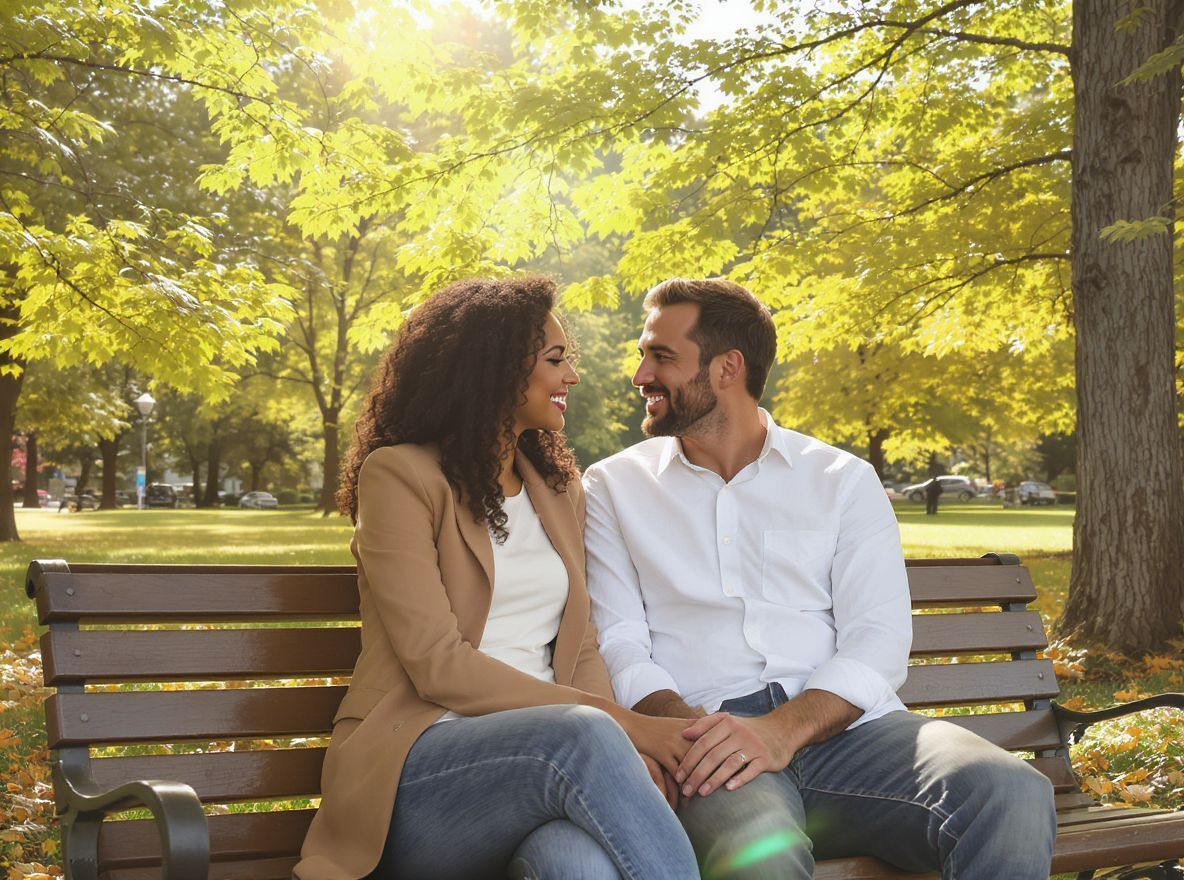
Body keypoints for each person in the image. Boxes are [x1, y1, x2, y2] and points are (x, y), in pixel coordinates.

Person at [583, 277, 1056, 880]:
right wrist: (693, 734)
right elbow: (618, 639)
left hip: (854, 733)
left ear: (728, 367)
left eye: (661, 356)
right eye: (644, 354)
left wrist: (783, 730)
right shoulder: (614, 487)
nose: (641, 374)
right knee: (763, 854)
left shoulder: (840, 479)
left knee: (1011, 792)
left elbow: (878, 638)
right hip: (705, 737)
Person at [293, 276, 698, 880]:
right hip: (418, 771)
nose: (572, 377)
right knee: (583, 735)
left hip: (545, 774)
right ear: (495, 368)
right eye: (555, 360)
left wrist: (624, 745)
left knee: (577, 865)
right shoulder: (401, 477)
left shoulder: (558, 490)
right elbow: (438, 663)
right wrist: (626, 727)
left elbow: (581, 643)